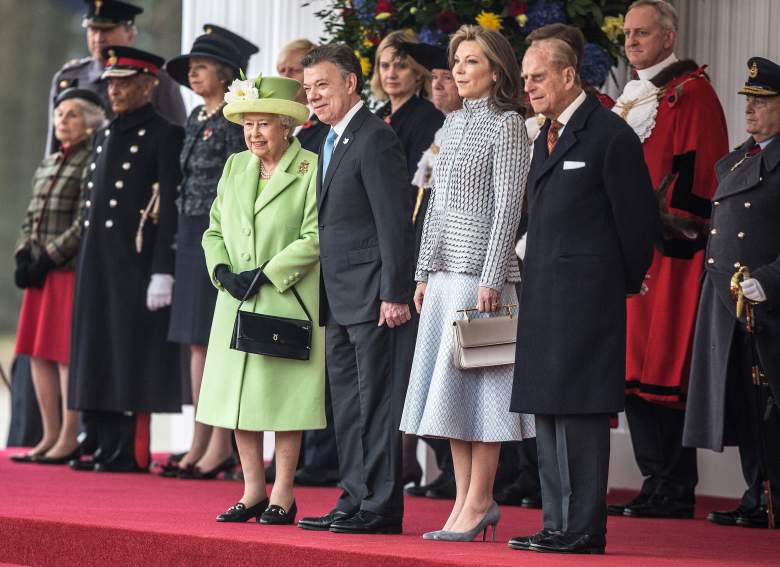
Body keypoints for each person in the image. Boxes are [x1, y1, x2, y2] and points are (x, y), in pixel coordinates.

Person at [509, 38, 658, 554]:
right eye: (526, 79)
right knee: (547, 412)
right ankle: (557, 522)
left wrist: (606, 284)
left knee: (580, 415)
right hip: (545, 296)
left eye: (537, 77)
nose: (527, 87)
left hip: (586, 300)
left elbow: (638, 227)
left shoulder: (609, 135)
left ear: (569, 76)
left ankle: (583, 528)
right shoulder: (543, 137)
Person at [400, 25, 534, 543]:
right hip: (445, 279)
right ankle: (462, 501)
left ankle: (480, 501)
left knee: (483, 394)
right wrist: (422, 271)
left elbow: (508, 208)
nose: (458, 69)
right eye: (457, 60)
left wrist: (493, 276)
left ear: (496, 70)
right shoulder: (451, 124)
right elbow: (434, 206)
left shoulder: (506, 126)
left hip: (484, 280)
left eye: (470, 61)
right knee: (452, 398)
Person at [608, 0, 729, 520]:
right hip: (628, 255)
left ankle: (675, 486)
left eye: (642, 33)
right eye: (628, 34)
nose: (632, 41)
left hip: (671, 256)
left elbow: (699, 175)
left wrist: (669, 234)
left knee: (663, 369)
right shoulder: (631, 96)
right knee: (631, 369)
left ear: (668, 37)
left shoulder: (692, 94)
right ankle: (655, 479)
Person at [195, 75, 324, 525]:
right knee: (238, 399)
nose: (254, 133)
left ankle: (283, 494)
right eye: (248, 124)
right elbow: (213, 228)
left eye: (264, 124)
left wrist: (267, 273)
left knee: (285, 402)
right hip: (234, 299)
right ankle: (252, 491)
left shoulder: (311, 166)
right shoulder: (235, 166)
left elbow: (316, 236)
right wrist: (222, 271)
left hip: (284, 298)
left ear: (286, 126)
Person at [297, 44, 415, 535]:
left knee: (376, 403)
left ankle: (382, 506)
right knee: (345, 404)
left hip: (373, 296)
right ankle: (352, 497)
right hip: (335, 294)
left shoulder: (375, 138)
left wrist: (395, 292)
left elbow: (394, 223)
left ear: (350, 82)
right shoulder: (326, 139)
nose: (314, 97)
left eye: (322, 85)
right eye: (308, 89)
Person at [68, 46, 184, 473]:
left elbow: (169, 206)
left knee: (127, 351)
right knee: (97, 347)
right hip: (98, 261)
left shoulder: (165, 134)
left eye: (122, 82)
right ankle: (98, 437)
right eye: (110, 83)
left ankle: (126, 449)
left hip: (135, 262)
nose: (113, 90)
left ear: (148, 85)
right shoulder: (105, 133)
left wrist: (162, 269)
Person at [684, 57, 780, 530]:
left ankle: (773, 496)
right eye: (749, 100)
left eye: (763, 101)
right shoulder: (742, 157)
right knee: (742, 403)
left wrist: (771, 279)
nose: (751, 109)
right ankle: (754, 493)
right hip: (728, 300)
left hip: (767, 304)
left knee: (770, 405)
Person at [159, 30, 252, 479]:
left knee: (214, 342)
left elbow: (240, 184)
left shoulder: (237, 118)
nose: (192, 73)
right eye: (191, 67)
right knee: (197, 340)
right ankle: (199, 438)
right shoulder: (198, 115)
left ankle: (220, 444)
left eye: (201, 65)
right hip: (193, 232)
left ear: (225, 72)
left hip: (221, 235)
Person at [9, 89, 105, 465]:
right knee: (36, 353)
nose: (62, 121)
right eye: (59, 114)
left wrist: (49, 257)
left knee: (63, 354)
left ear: (90, 122)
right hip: (39, 274)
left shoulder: (90, 162)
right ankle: (48, 434)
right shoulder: (49, 162)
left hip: (65, 270)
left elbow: (85, 222)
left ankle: (69, 435)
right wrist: (23, 254)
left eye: (72, 115)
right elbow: (31, 215)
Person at [371, 31, 446, 490]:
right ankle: (401, 462)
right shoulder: (379, 117)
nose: (392, 73)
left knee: (417, 359)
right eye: (384, 65)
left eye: (400, 64)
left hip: (413, 242)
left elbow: (419, 194)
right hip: (383, 244)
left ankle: (425, 460)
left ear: (417, 72)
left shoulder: (426, 117)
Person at [273, 37, 338, 487]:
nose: (288, 80)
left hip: (320, 266)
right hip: (292, 272)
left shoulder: (318, 138)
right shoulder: (300, 134)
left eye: (294, 71)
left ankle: (322, 456)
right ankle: (311, 456)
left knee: (322, 371)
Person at [397, 41, 460, 502]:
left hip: (462, 269)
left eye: (447, 77)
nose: (439, 84)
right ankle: (442, 469)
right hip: (429, 270)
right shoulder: (444, 131)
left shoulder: (481, 128)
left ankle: (463, 476)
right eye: (434, 77)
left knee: (461, 372)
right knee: (431, 375)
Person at [46, 0, 185, 155]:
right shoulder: (69, 78)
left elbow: (177, 138)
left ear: (130, 34)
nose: (98, 39)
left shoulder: (155, 79)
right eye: (93, 30)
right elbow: (55, 147)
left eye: (107, 31)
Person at [277, 39, 331, 154]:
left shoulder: (329, 122)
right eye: (282, 71)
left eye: (293, 70)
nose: (285, 77)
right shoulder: (274, 117)